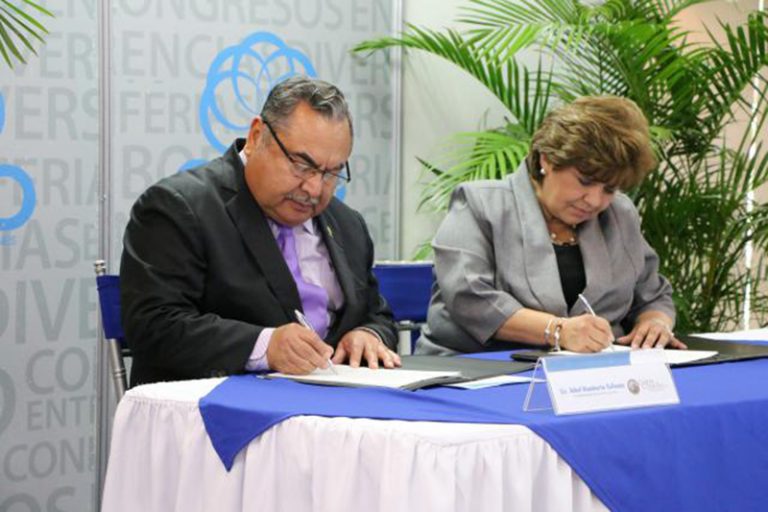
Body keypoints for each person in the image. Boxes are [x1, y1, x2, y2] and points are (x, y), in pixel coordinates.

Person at [121, 76, 400, 386]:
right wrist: (265, 346)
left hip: (337, 405)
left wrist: (368, 334)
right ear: (256, 137)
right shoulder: (180, 208)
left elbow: (376, 312)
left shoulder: (348, 224)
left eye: (331, 173)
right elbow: (154, 325)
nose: (314, 188)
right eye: (302, 165)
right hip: (218, 405)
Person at [417, 96, 686, 355]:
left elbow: (652, 294)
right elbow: (469, 297)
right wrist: (558, 331)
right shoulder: (480, 204)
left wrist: (655, 322)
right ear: (547, 159)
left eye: (609, 189)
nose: (595, 200)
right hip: (479, 368)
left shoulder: (619, 214)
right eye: (585, 181)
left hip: (592, 373)